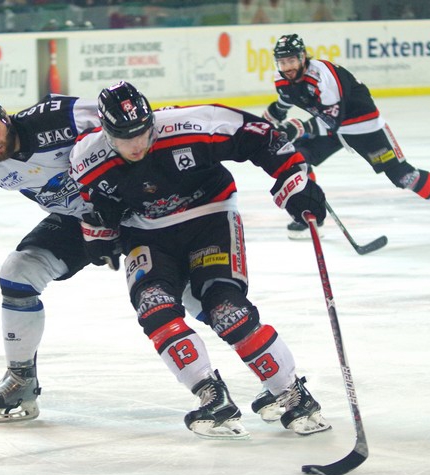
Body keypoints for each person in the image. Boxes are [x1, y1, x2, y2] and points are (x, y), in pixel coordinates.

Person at [69, 81, 332, 439]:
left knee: (226, 309)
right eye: (124, 137)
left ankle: (290, 392)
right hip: (145, 233)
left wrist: (294, 180)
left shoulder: (193, 124)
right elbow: (99, 202)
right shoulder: (86, 157)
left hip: (210, 218)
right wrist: (100, 231)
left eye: (142, 132)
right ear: (105, 132)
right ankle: (211, 393)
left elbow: (263, 136)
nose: (137, 144)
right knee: (153, 307)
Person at [0, 87, 106, 423]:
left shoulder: (59, 118)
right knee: (18, 272)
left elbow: (134, 122)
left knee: (188, 292)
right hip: (79, 221)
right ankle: (21, 380)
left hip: (135, 209)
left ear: (4, 116)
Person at [262, 34, 430, 239]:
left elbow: (333, 120)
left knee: (404, 177)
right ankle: (311, 216)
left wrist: (298, 127)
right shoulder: (281, 79)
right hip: (332, 127)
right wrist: (271, 120)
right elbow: (285, 101)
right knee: (298, 157)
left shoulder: (322, 78)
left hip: (364, 127)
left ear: (302, 58)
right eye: (282, 63)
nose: (287, 68)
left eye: (291, 61)